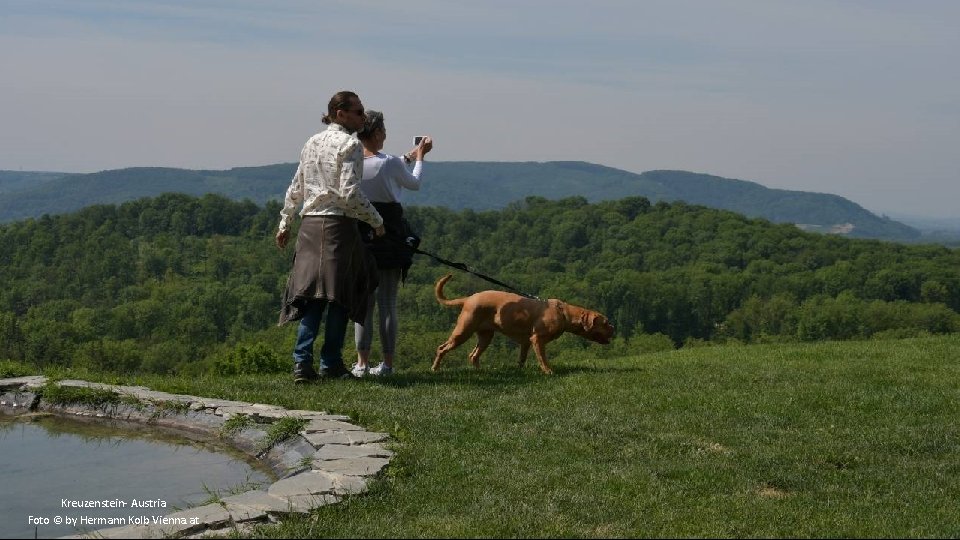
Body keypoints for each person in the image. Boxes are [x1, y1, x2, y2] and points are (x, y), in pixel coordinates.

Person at [276, 90, 386, 383]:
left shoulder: (311, 142)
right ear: (341, 114)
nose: (363, 118)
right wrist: (376, 221)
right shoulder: (350, 144)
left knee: (312, 297)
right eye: (359, 112)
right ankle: (331, 364)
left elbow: (297, 185)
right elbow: (349, 193)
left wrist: (285, 222)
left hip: (310, 226)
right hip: (338, 226)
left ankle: (302, 363)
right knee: (339, 297)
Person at [350, 110, 433, 377]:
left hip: (361, 231)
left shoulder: (352, 162)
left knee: (364, 301)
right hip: (390, 232)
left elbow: (387, 165)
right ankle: (387, 364)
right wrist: (419, 159)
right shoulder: (389, 163)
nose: (386, 136)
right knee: (387, 302)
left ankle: (361, 363)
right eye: (384, 132)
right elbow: (413, 183)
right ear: (375, 133)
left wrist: (407, 156)